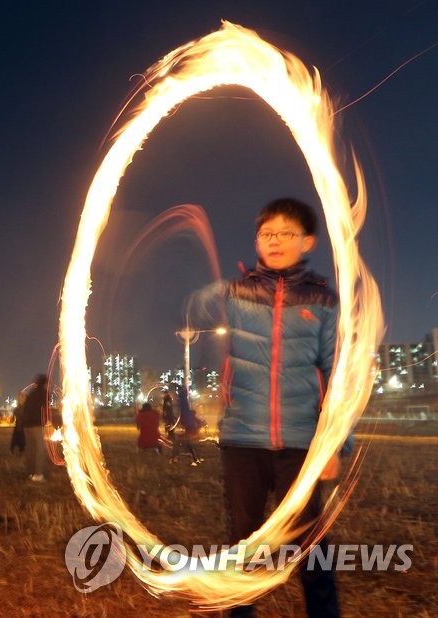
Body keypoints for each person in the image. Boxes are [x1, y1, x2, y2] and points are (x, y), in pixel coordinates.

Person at [191, 197, 345, 617]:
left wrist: (335, 442)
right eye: (266, 233)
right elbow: (195, 312)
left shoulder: (324, 300)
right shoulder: (234, 293)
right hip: (243, 439)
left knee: (311, 543)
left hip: (302, 443)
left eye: (286, 233)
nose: (274, 241)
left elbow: (337, 372)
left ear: (308, 241)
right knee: (244, 546)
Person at [18, 374, 48, 482]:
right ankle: (38, 474)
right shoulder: (44, 393)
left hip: (27, 424)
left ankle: (30, 472)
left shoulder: (31, 393)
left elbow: (25, 406)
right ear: (45, 383)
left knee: (30, 449)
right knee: (39, 449)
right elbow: (46, 409)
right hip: (36, 424)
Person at [175, 384, 205, 466]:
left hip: (189, 426)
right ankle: (194, 457)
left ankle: (193, 457)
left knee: (188, 444)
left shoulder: (186, 412)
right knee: (188, 444)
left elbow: (183, 407)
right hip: (189, 426)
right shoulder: (189, 414)